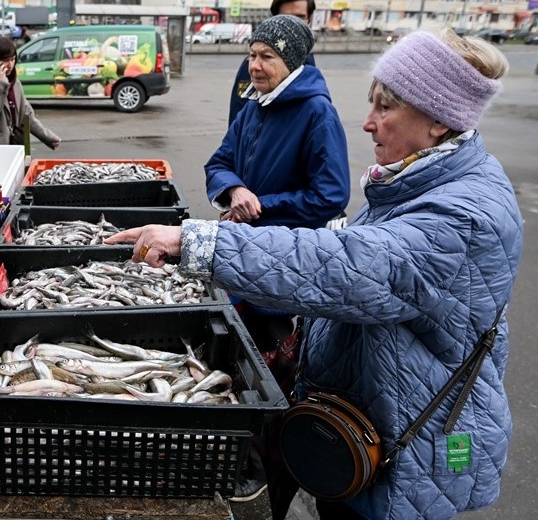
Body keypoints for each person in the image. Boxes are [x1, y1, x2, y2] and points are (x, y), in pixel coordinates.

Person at [107, 28, 521, 520]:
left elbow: (353, 267)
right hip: (360, 428)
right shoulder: (413, 180)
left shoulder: (466, 214)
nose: (367, 123)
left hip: (404, 450)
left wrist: (196, 241)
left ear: (438, 121)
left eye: (385, 107)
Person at [204, 13, 350, 505]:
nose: (255, 65)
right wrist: (235, 190)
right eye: (252, 54)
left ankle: (265, 469)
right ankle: (238, 455)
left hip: (284, 265)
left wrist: (263, 205)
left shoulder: (316, 113)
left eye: (267, 56)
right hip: (242, 255)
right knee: (233, 357)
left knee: (271, 372)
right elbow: (218, 163)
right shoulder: (254, 106)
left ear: (292, 62)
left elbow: (331, 194)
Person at [228, 0, 316, 125]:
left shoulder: (308, 59)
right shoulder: (255, 64)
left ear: (309, 18)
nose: (293, 24)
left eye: (300, 17)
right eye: (285, 17)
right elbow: (238, 115)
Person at [0, 37, 60, 149]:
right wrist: (0, 83)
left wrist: (46, 136)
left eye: (12, 59)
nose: (10, 64)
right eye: (6, 60)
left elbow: (26, 113)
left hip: (14, 144)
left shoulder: (14, 81)